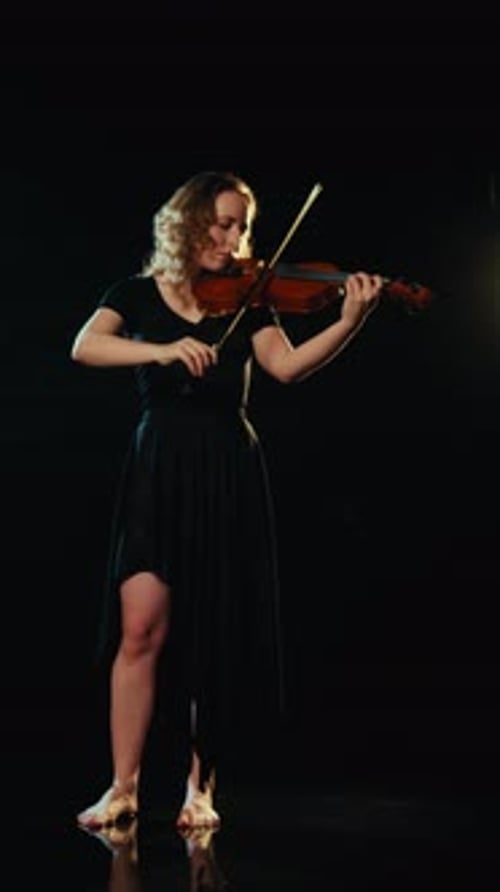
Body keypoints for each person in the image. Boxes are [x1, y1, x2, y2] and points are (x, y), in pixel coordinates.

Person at [71, 170, 382, 832]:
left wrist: (351, 319)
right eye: (223, 222)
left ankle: (199, 791)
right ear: (187, 222)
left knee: (210, 635)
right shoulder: (135, 293)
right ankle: (121, 787)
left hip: (224, 465)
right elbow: (85, 346)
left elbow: (288, 368)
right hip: (159, 466)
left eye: (242, 226)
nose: (235, 237)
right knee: (140, 629)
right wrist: (162, 348)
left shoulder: (253, 300)